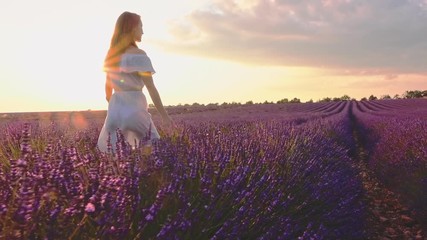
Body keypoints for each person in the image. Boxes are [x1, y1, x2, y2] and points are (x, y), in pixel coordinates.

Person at [97, 11, 173, 153]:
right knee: (153, 152)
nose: (143, 32)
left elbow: (107, 91)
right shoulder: (139, 56)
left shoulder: (111, 55)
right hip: (135, 109)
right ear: (132, 28)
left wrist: (118, 107)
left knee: (115, 156)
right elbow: (151, 88)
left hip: (115, 111)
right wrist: (164, 116)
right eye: (141, 27)